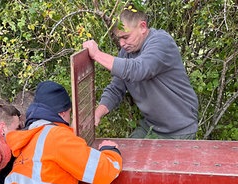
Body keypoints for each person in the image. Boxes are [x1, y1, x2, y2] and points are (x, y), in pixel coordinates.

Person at [82, 5, 199, 139]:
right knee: (120, 156)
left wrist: (96, 54)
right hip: (150, 126)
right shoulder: (126, 53)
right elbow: (116, 89)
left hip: (179, 129)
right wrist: (97, 114)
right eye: (119, 38)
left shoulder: (161, 42)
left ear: (142, 27)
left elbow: (137, 69)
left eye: (125, 37)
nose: (121, 44)